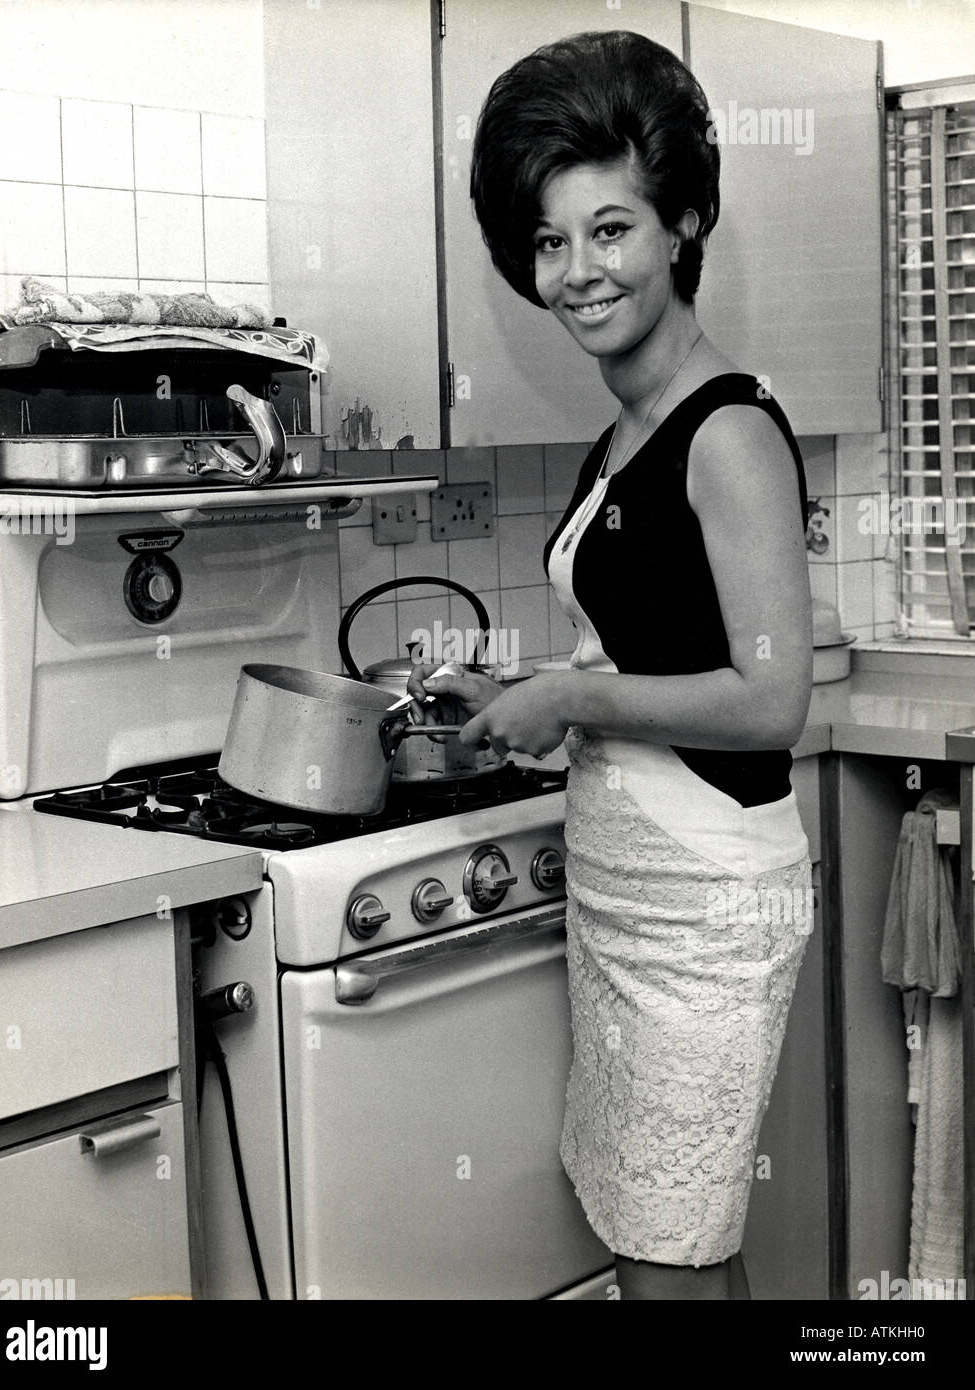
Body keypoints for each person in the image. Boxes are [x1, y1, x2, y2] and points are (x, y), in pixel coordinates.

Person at [408, 29, 814, 1301]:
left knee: (662, 1266)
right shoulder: (622, 431)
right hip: (629, 896)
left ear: (684, 221)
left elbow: (768, 698)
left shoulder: (725, 431)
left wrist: (574, 697)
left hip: (703, 911)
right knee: (686, 1245)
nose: (575, 272)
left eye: (609, 229)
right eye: (546, 241)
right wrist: (519, 684)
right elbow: (645, 643)